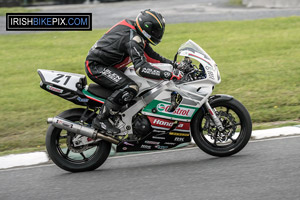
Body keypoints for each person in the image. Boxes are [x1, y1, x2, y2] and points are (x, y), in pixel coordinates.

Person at [85, 9, 182, 135]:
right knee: (130, 87)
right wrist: (166, 74)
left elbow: (151, 56)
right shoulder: (133, 39)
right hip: (97, 66)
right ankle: (101, 119)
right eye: (155, 31)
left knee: (140, 84)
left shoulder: (137, 33)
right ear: (147, 28)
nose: (158, 34)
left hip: (112, 66)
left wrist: (173, 64)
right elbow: (141, 68)